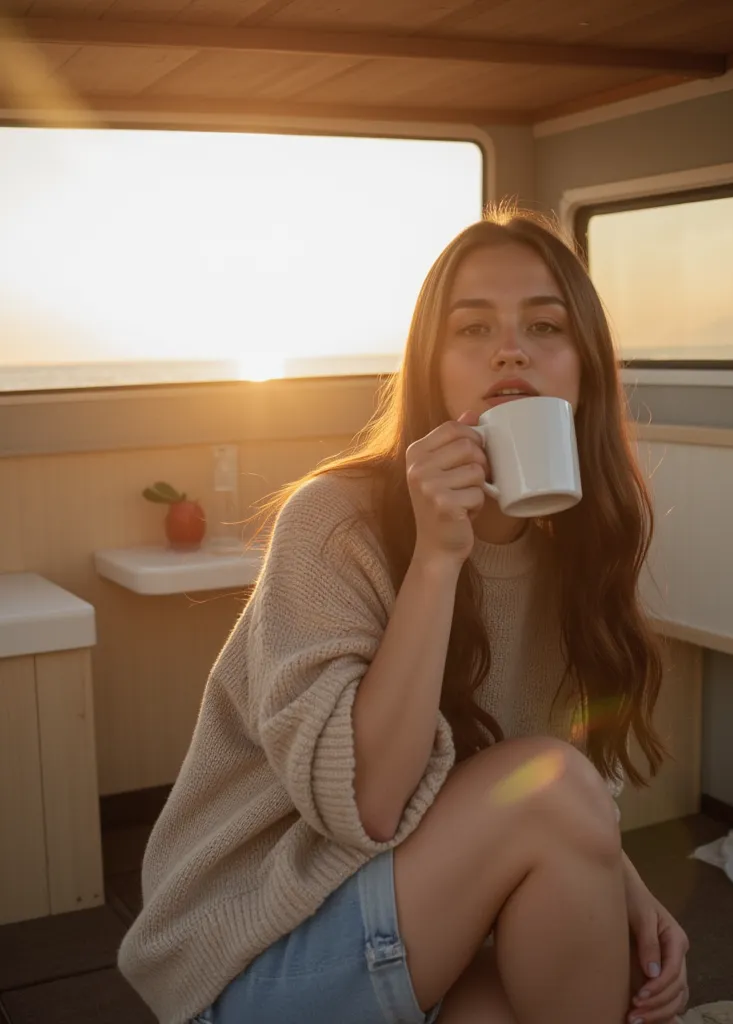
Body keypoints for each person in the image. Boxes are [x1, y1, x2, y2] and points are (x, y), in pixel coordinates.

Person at [118, 206, 691, 1024]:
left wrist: (628, 895)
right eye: (473, 329)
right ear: (433, 369)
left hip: (414, 914)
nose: (510, 348)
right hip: (254, 952)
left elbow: (543, 788)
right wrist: (436, 557)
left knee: (559, 987)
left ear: (586, 372)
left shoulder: (576, 555)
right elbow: (373, 804)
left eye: (544, 325)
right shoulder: (333, 521)